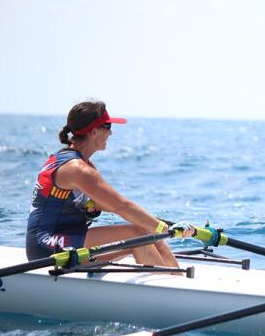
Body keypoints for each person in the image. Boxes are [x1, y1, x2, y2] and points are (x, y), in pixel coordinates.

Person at [26, 100, 194, 266]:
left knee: (147, 229)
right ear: (93, 132)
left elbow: (108, 204)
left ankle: (176, 279)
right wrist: (165, 229)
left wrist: (157, 224)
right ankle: (164, 289)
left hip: (70, 236)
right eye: (107, 127)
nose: (110, 133)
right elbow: (122, 206)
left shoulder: (82, 165)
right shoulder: (77, 169)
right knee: (138, 233)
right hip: (45, 245)